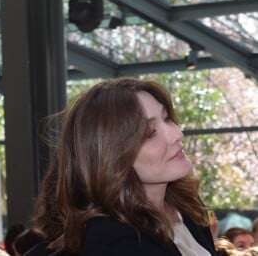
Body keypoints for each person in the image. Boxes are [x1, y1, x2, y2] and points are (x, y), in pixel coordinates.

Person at [27, 77, 217, 256]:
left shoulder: (185, 206)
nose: (177, 133)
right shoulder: (115, 241)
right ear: (113, 158)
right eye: (150, 133)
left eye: (167, 119)